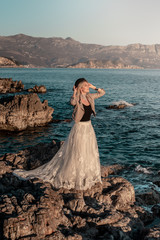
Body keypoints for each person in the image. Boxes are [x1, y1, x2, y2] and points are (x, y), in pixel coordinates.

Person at [13, 78, 105, 190]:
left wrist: (93, 87)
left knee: (88, 151)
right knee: (78, 151)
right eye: (85, 85)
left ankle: (86, 174)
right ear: (81, 88)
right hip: (79, 128)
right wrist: (74, 92)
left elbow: (102, 93)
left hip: (89, 128)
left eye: (87, 85)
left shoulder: (90, 97)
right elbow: (72, 102)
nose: (87, 86)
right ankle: (74, 176)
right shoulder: (78, 99)